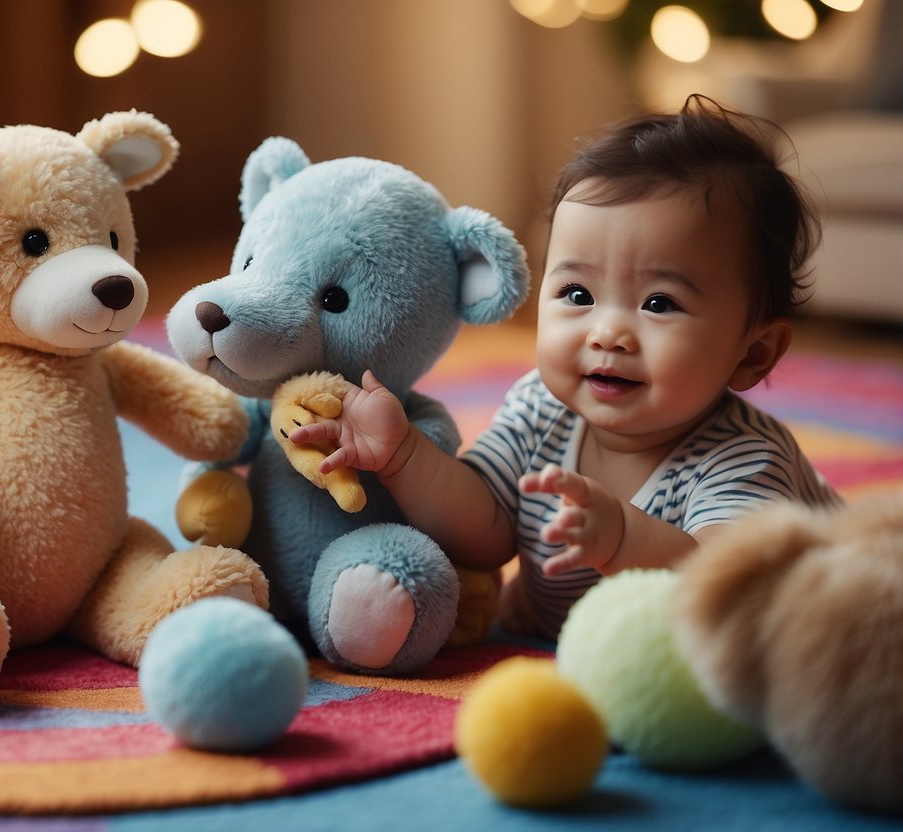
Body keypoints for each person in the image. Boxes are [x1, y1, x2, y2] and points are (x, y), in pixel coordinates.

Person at [286, 94, 842, 641]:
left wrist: (625, 538)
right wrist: (403, 454)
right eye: (578, 293)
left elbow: (729, 591)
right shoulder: (539, 407)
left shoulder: (744, 460)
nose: (607, 333)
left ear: (753, 353)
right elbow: (488, 528)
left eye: (659, 303)